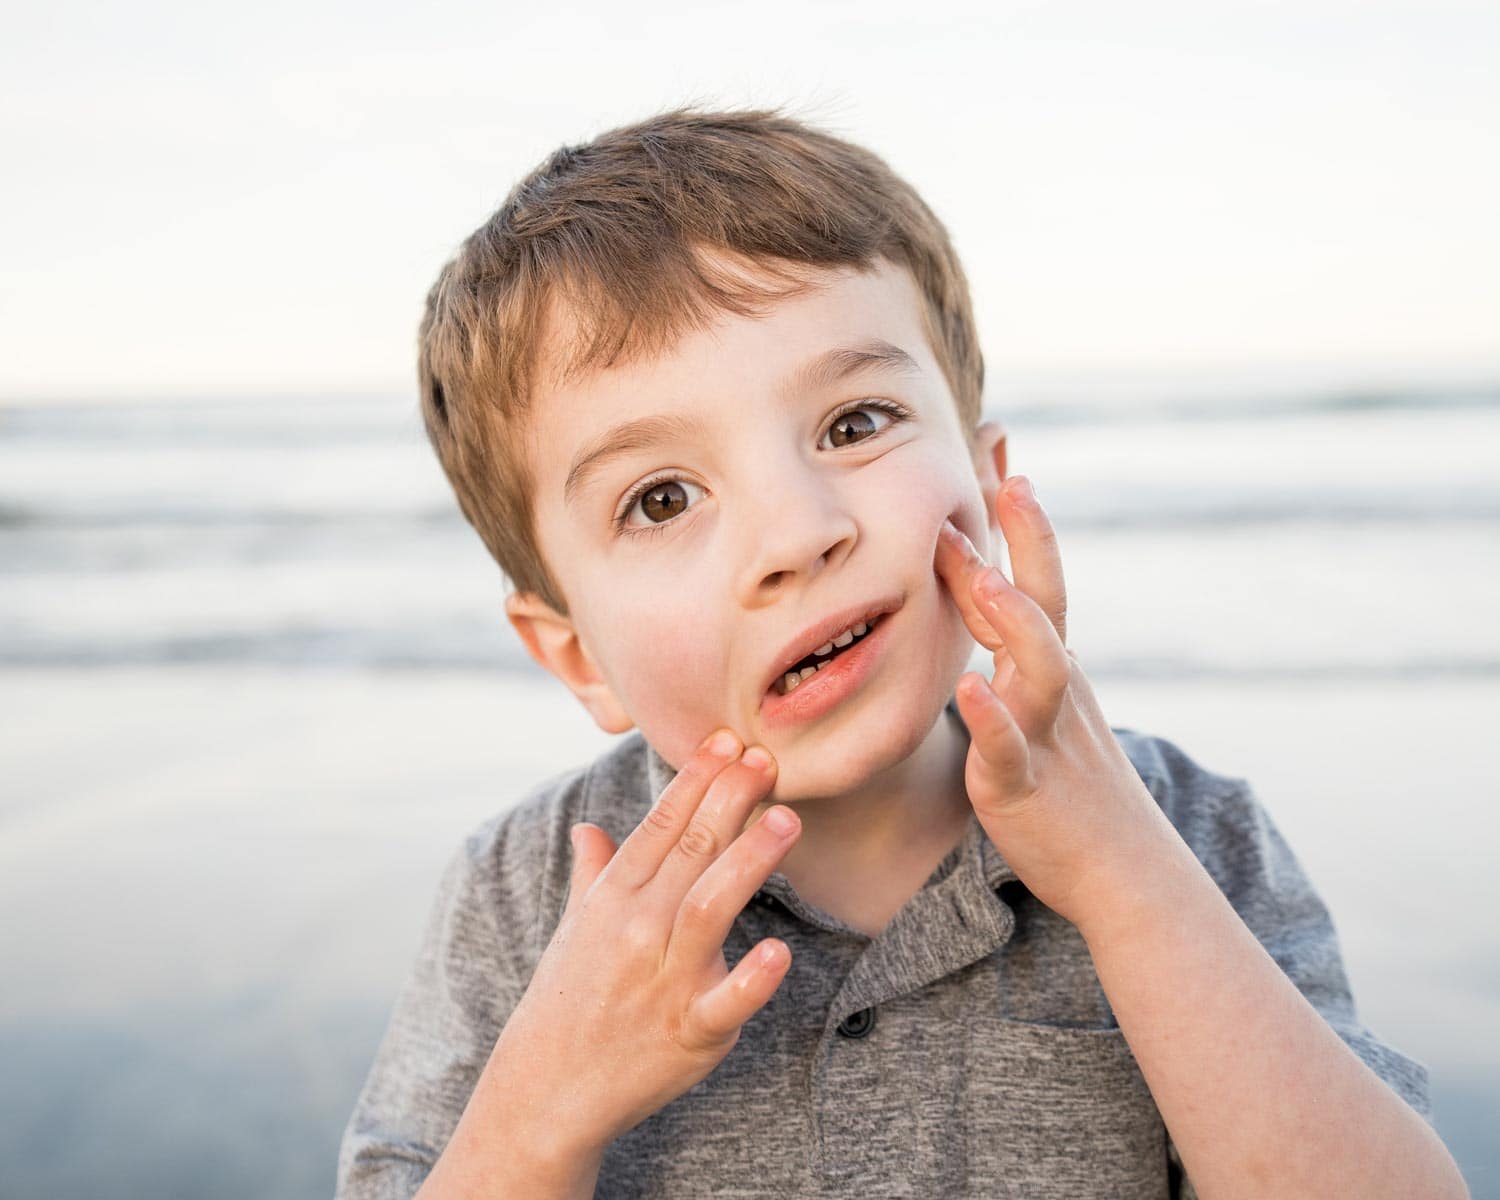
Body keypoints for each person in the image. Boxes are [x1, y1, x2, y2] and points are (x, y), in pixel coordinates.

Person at [336, 106, 1469, 1199]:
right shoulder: (525, 896)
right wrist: (544, 1107)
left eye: (854, 423)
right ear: (576, 655)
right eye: (663, 497)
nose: (797, 533)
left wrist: (1124, 880)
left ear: (985, 483)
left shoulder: (1184, 830)